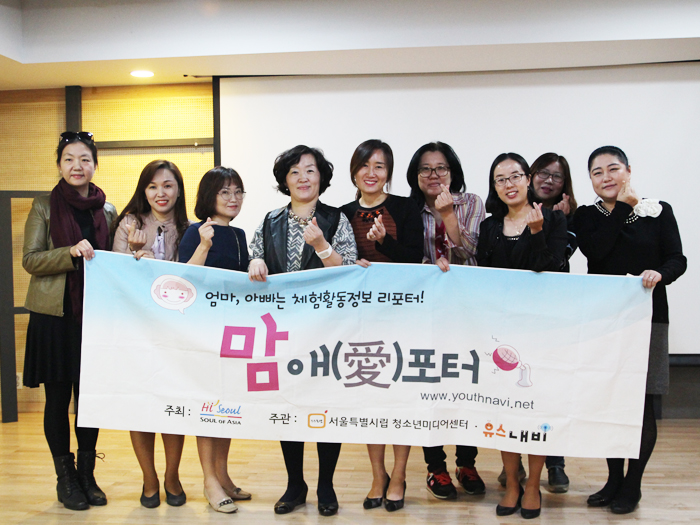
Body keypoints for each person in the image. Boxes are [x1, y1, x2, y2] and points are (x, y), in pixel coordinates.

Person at [574, 146, 686, 515]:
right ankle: (613, 480)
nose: (606, 177)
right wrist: (623, 207)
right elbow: (598, 252)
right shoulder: (586, 216)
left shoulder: (658, 211)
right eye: (597, 172)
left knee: (643, 405)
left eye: (613, 169)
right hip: (605, 321)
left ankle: (632, 484)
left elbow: (677, 258)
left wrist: (661, 274)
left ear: (629, 171)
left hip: (648, 318)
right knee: (610, 402)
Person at [248, 145, 357, 516]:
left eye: (310, 170)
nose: (303, 178)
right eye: (294, 172)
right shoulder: (270, 220)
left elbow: (349, 270)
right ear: (285, 180)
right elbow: (255, 254)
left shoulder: (336, 219)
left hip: (326, 330)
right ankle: (295, 484)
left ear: (321, 178)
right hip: (283, 330)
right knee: (288, 406)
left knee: (325, 406)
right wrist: (256, 261)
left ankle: (326, 485)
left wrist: (321, 245)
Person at [22, 131, 117, 511]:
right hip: (54, 317)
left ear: (95, 165)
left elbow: (113, 262)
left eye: (84, 159)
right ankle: (65, 478)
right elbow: (30, 259)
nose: (77, 166)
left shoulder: (107, 210)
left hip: (94, 316)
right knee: (58, 399)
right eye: (69, 159)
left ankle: (87, 475)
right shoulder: (44, 205)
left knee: (89, 399)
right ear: (59, 164)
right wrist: (70, 252)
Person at [477, 152, 568, 519]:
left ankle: (533, 486)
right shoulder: (489, 226)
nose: (509, 184)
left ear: (528, 180)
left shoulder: (553, 218)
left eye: (515, 176)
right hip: (501, 332)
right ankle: (513, 483)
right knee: (505, 411)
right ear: (495, 187)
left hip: (541, 329)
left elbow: (551, 267)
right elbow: (484, 275)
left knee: (535, 409)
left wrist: (536, 232)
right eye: (500, 179)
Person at [340, 139, 423, 512]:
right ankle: (378, 475)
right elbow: (339, 262)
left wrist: (385, 242)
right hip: (362, 319)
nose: (371, 173)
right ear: (354, 171)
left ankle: (400, 475)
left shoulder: (405, 208)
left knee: (400, 398)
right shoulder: (342, 213)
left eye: (379, 166)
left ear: (389, 172)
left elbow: (415, 258)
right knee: (371, 396)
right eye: (365, 165)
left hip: (401, 316)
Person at [406, 141, 486, 499]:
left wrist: (449, 214)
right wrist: (428, 267)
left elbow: (470, 250)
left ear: (453, 172)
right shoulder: (409, 210)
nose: (433, 174)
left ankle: (467, 462)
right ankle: (435, 467)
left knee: (468, 384)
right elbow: (408, 258)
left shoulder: (471, 203)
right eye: (425, 168)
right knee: (429, 386)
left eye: (441, 168)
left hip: (468, 309)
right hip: (425, 311)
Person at [112, 160, 189, 507]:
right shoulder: (129, 223)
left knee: (173, 404)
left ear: (179, 190)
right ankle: (149, 477)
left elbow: (190, 278)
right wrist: (132, 254)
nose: (161, 193)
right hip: (136, 330)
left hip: (175, 331)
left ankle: (172, 476)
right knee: (140, 405)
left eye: (168, 185)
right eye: (153, 186)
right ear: (144, 190)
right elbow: (116, 276)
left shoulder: (189, 228)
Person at [179, 166, 251, 513]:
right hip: (204, 331)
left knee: (227, 406)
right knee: (208, 407)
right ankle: (209, 481)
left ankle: (222, 475)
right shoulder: (196, 231)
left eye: (238, 191)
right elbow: (184, 279)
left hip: (234, 331)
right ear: (210, 196)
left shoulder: (239, 234)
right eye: (225, 192)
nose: (233, 198)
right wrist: (204, 245)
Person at [518, 152, 579, 493]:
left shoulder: (569, 217)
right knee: (517, 388)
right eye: (543, 173)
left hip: (554, 314)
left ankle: (555, 463)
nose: (548, 181)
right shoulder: (515, 211)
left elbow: (556, 260)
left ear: (565, 184)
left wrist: (561, 222)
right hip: (518, 313)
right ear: (531, 175)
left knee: (551, 389)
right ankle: (515, 462)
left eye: (557, 176)